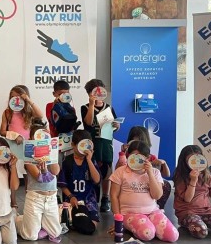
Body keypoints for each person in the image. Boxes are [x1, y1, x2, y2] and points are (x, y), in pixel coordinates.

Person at [109, 140, 179, 242]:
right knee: (148, 233)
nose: (136, 160)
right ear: (128, 156)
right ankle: (134, 225)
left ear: (147, 158)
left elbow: (157, 195)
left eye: (140, 157)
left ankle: (149, 225)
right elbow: (113, 195)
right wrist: (118, 220)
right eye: (133, 156)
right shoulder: (121, 171)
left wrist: (150, 173)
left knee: (172, 236)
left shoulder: (155, 172)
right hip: (129, 213)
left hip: (152, 211)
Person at [0, 85, 44, 210]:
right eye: (12, 97)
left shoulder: (29, 112)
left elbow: (40, 116)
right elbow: (2, 131)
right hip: (13, 146)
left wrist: (28, 101)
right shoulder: (7, 113)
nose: (15, 100)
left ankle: (29, 202)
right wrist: (14, 135)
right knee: (12, 172)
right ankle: (13, 202)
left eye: (19, 97)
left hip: (28, 147)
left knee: (28, 175)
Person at [15, 124, 62, 243]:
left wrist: (50, 151)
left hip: (51, 198)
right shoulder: (28, 155)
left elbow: (56, 171)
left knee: (55, 232)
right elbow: (39, 178)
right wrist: (44, 171)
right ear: (31, 139)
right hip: (35, 198)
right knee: (30, 236)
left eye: (45, 136)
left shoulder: (51, 151)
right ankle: (16, 220)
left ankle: (38, 222)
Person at [81, 79, 119, 213]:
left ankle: (105, 198)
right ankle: (93, 197)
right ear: (89, 93)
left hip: (106, 144)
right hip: (93, 145)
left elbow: (114, 127)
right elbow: (88, 123)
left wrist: (116, 126)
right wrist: (92, 105)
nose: (98, 94)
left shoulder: (109, 108)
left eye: (100, 91)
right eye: (94, 92)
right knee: (92, 171)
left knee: (107, 171)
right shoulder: (85, 107)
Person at [116, 126, 171, 209]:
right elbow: (117, 170)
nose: (138, 145)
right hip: (131, 184)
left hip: (146, 183)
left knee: (166, 184)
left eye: (140, 142)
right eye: (134, 141)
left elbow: (166, 174)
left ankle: (160, 207)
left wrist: (163, 163)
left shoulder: (150, 157)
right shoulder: (128, 156)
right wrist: (122, 153)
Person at [58, 130, 101, 235]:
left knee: (91, 227)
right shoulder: (67, 161)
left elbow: (97, 180)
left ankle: (78, 220)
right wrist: (71, 196)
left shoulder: (91, 160)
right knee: (76, 219)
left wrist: (89, 160)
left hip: (88, 200)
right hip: (72, 199)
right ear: (73, 145)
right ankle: (75, 218)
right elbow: (63, 185)